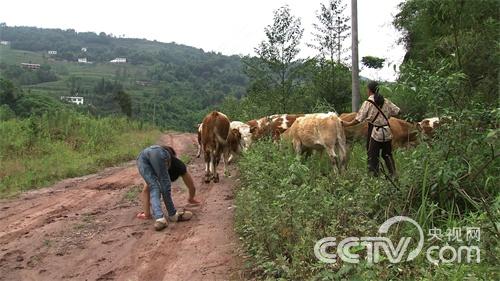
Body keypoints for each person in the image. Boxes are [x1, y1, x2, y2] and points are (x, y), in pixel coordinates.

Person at [342, 81, 400, 177]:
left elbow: (358, 119)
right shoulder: (385, 101)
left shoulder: (368, 103)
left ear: (369, 90)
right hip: (386, 131)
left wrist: (347, 124)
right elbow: (398, 111)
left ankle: (374, 177)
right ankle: (393, 174)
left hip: (374, 131)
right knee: (387, 154)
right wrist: (387, 115)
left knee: (372, 156)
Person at [136, 144, 195, 231]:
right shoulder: (172, 161)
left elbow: (146, 189)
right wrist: (191, 198)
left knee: (154, 187)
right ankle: (172, 215)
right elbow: (191, 185)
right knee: (165, 185)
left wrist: (146, 214)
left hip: (141, 158)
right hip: (153, 153)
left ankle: (159, 218)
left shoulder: (155, 160)